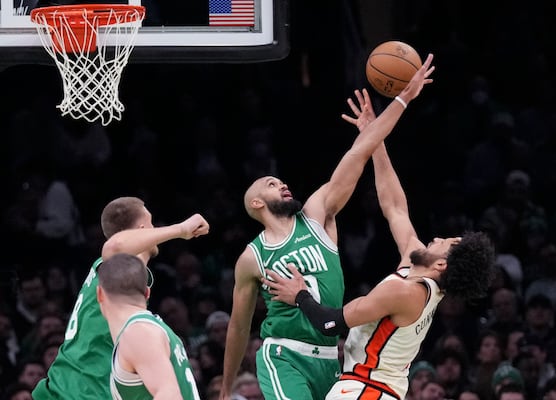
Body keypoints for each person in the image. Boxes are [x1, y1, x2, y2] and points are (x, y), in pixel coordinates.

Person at [261, 76, 495, 399]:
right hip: (369, 388)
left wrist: (299, 294)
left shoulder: (406, 293)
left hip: (366, 391)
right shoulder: (415, 268)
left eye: (448, 243)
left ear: (442, 263)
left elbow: (331, 324)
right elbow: (395, 207)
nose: (439, 237)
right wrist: (374, 138)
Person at [219, 54, 436, 400]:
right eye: (271, 184)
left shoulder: (317, 214)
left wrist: (400, 102)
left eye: (281, 181)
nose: (282, 184)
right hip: (283, 354)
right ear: (256, 204)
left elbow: (358, 153)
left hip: (330, 357)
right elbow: (239, 325)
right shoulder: (252, 257)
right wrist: (226, 387)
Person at [32, 196, 209, 400]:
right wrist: (181, 229)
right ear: (143, 229)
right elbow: (114, 246)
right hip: (81, 389)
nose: (155, 230)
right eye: (151, 223)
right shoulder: (113, 270)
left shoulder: (122, 279)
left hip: (70, 385)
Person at [97, 253, 201, 399]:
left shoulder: (138, 333)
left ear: (99, 294)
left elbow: (170, 395)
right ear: (147, 293)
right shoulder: (152, 329)